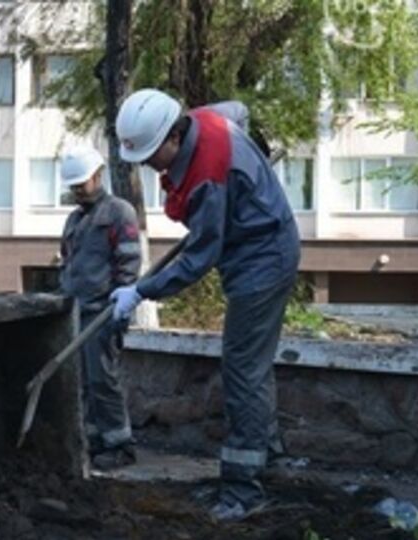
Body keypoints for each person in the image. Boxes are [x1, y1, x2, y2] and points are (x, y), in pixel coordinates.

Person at [108, 89, 301, 521]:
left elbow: (200, 257)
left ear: (174, 137)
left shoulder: (208, 178)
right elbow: (240, 112)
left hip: (264, 259)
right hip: (255, 248)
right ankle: (270, 455)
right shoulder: (203, 119)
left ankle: (242, 491)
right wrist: (253, 167)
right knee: (251, 364)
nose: (149, 165)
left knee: (242, 371)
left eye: (153, 155)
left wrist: (143, 290)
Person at [57, 146, 141, 470]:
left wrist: (120, 308)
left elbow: (129, 264)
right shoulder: (75, 219)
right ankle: (94, 440)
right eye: (73, 185)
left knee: (103, 380)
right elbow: (68, 263)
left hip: (103, 313)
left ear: (98, 175)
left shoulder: (119, 212)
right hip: (77, 312)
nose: (78, 190)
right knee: (83, 383)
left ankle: (120, 445)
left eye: (82, 183)